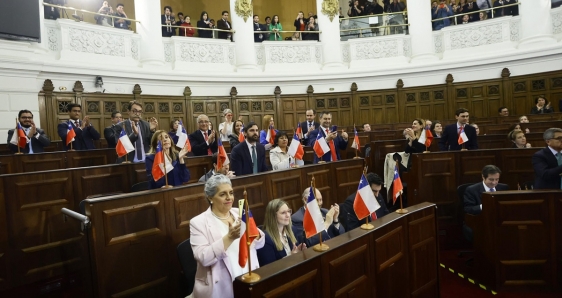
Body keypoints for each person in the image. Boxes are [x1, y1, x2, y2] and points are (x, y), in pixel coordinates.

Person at [189, 175, 265, 298]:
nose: (229, 197)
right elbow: (203, 257)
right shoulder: (198, 222)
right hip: (220, 285)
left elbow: (260, 243)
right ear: (210, 198)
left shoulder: (239, 212)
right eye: (223, 194)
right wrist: (229, 237)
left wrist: (255, 235)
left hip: (248, 273)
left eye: (231, 192)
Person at [256, 199, 306, 266]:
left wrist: (300, 251)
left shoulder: (293, 230)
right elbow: (269, 268)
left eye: (288, 211)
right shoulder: (265, 239)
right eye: (283, 213)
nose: (288, 215)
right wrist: (290, 257)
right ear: (273, 216)